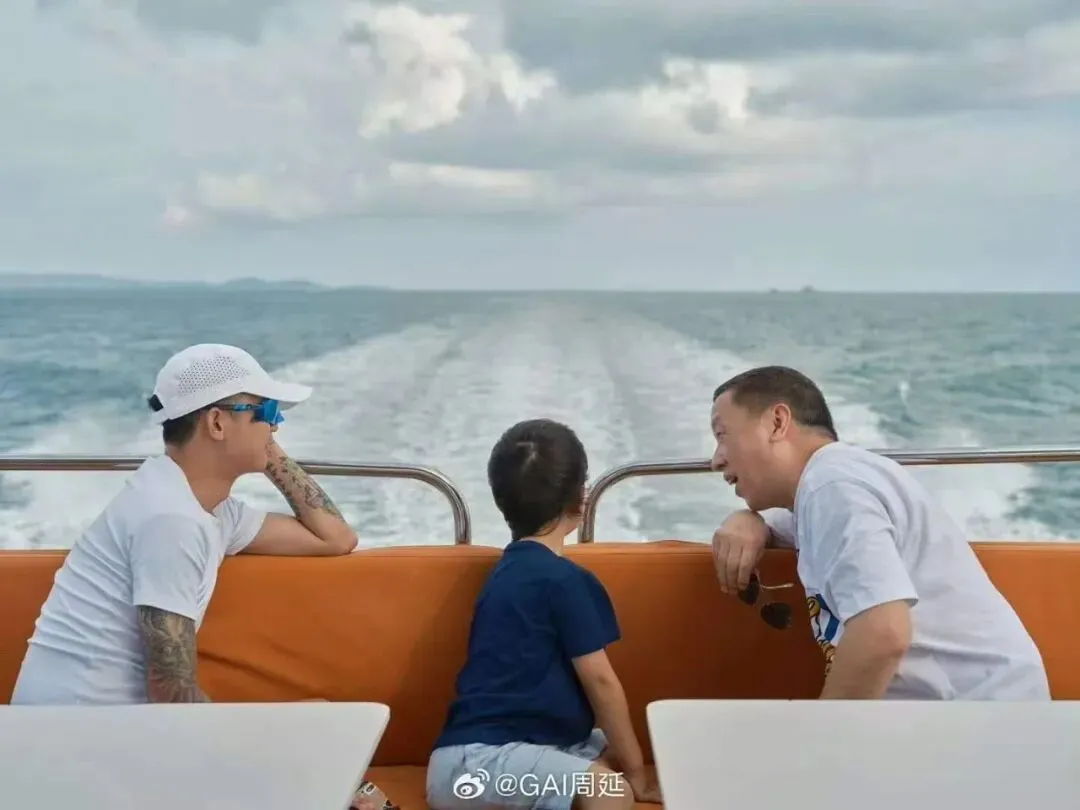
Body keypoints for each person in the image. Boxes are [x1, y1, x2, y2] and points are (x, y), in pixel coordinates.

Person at [11, 343, 396, 810]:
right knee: (321, 748)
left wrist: (264, 447)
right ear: (216, 423)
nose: (276, 425)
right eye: (267, 412)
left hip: (108, 735)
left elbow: (335, 537)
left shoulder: (204, 508)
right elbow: (171, 695)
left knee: (321, 729)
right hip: (75, 754)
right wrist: (279, 759)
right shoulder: (171, 520)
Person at [708, 364, 1050, 700]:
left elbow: (883, 632)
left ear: (777, 423)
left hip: (981, 713)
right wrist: (748, 520)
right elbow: (781, 527)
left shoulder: (833, 487)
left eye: (722, 435)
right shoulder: (825, 488)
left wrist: (826, 732)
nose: (716, 460)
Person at [426, 419, 661, 810]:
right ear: (580, 501)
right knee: (612, 791)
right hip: (482, 765)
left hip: (468, 765)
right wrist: (638, 777)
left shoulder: (505, 572)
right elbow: (601, 683)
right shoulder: (565, 581)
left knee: (606, 749)